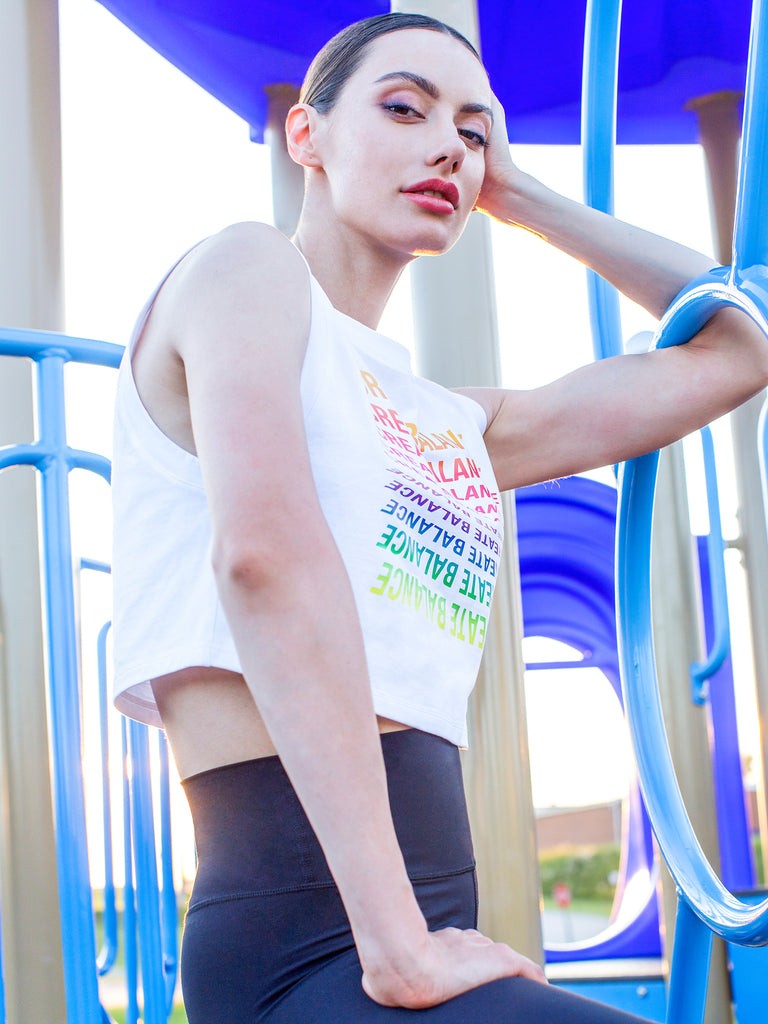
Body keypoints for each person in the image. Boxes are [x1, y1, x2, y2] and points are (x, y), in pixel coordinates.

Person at [111, 12, 768, 1023]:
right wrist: (397, 945)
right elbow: (267, 563)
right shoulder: (245, 267)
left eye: (473, 132)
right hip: (311, 941)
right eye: (404, 107)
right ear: (307, 137)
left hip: (424, 923)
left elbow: (741, 344)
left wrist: (528, 197)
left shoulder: (454, 421)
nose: (445, 147)